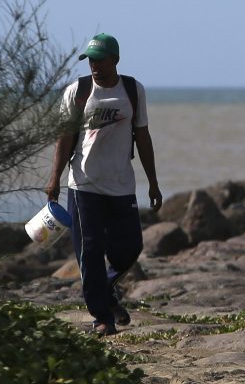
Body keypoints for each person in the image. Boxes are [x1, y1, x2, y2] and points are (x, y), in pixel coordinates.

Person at [45, 33, 163, 336]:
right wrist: (54, 178)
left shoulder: (133, 91)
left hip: (122, 185)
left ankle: (105, 288)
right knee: (91, 251)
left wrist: (153, 182)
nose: (94, 65)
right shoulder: (78, 91)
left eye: (100, 59)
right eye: (91, 60)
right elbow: (65, 138)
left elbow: (143, 137)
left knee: (131, 248)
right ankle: (102, 318)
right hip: (84, 185)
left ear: (116, 60)